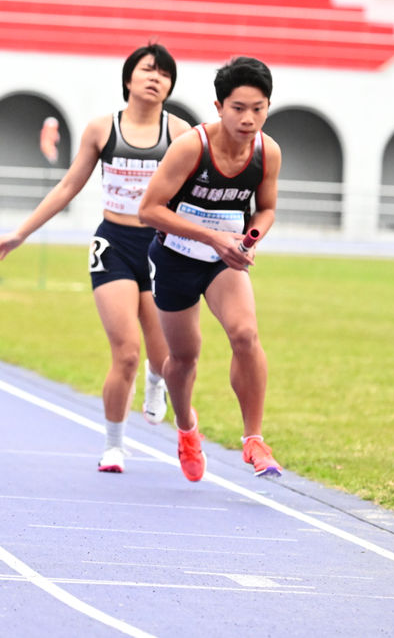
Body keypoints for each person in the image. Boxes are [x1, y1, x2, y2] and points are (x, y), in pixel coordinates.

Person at [0, 44, 191, 473]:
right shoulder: (102, 129)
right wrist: (21, 233)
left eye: (164, 74)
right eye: (147, 70)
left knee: (163, 357)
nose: (155, 78)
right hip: (115, 245)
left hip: (161, 248)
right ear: (129, 78)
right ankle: (114, 445)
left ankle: (156, 380)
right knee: (126, 352)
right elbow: (68, 187)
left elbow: (191, 194)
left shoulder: (179, 133)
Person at [137, 56, 283, 482]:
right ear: (219, 107)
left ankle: (254, 438)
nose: (248, 118)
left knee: (245, 334)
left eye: (258, 109)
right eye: (238, 108)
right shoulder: (191, 147)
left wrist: (249, 239)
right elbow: (149, 210)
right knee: (183, 357)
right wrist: (212, 236)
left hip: (224, 261)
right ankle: (186, 428)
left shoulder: (267, 152)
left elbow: (267, 209)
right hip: (176, 259)